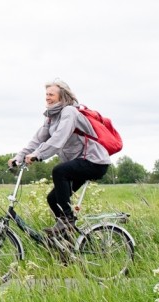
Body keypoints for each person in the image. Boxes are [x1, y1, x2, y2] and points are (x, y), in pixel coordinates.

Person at [7, 79, 111, 238]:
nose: (47, 97)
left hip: (94, 161)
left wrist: (38, 155)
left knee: (59, 171)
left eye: (51, 94)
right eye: (46, 94)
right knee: (53, 199)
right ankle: (65, 241)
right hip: (79, 164)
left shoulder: (69, 112)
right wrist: (19, 157)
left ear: (62, 97)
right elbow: (37, 140)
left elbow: (59, 139)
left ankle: (68, 219)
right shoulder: (50, 118)